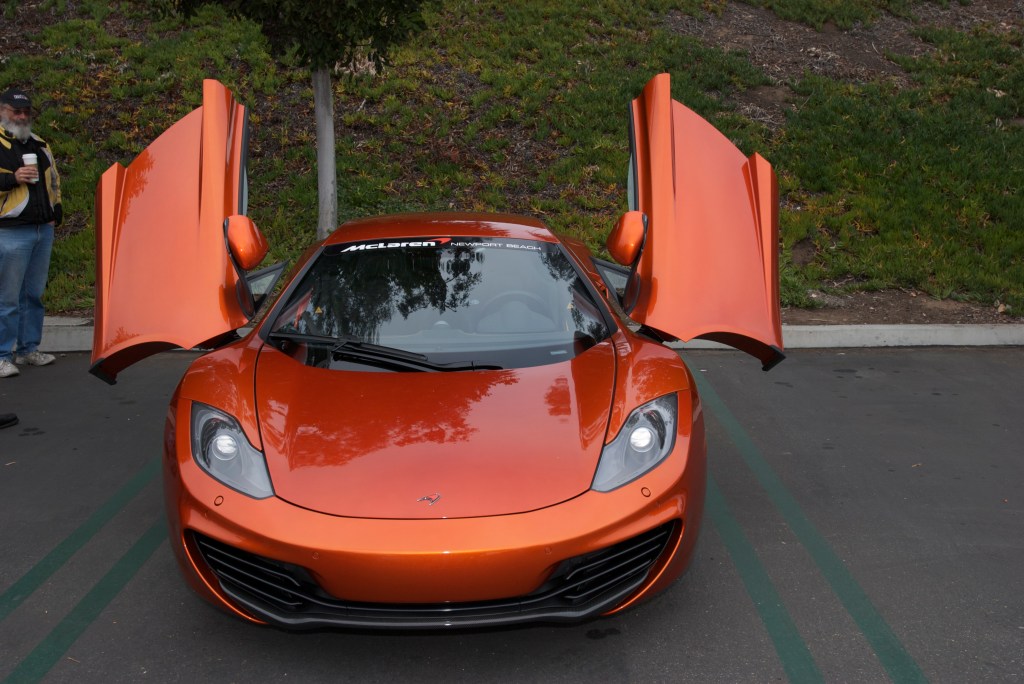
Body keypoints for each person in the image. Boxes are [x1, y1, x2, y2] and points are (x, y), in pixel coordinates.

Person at [0, 87, 61, 378]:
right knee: (8, 298)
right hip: (10, 230)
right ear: (3, 111)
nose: (22, 116)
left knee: (33, 294)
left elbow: (54, 181)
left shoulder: (39, 143)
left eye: (26, 112)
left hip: (41, 228)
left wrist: (55, 211)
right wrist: (12, 178)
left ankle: (27, 349)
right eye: (16, 111)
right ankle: (2, 354)